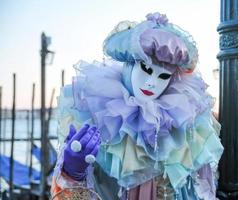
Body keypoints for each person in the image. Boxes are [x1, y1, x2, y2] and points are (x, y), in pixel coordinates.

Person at [51, 12, 225, 200]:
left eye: (163, 76)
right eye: (146, 70)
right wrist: (72, 172)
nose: (151, 83)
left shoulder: (183, 116)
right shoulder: (97, 111)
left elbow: (204, 178)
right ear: (130, 65)